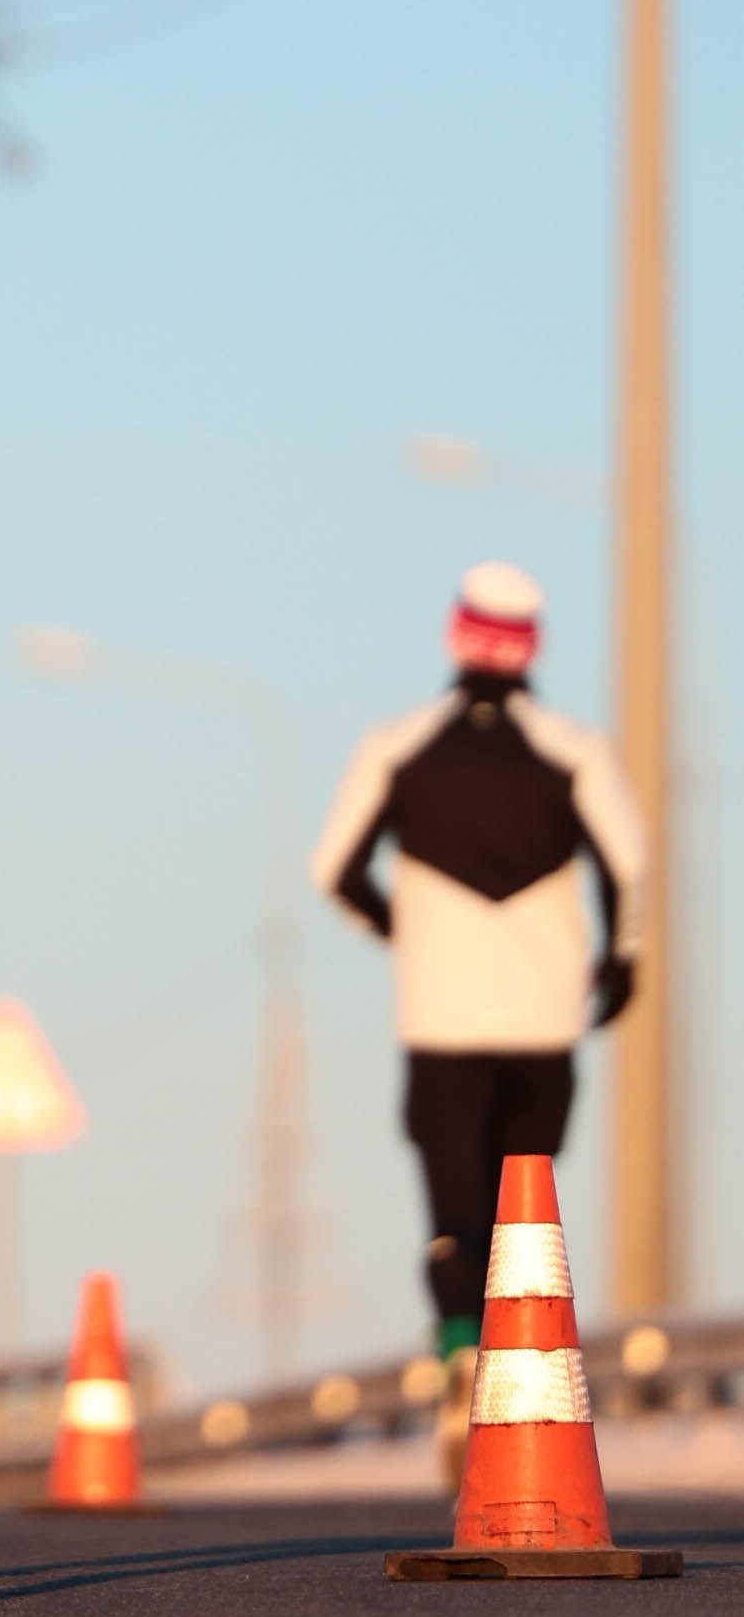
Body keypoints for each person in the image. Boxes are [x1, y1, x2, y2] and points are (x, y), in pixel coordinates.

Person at [309, 560, 645, 1470]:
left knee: (453, 1211)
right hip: (544, 1020)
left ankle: (460, 1351)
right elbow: (627, 867)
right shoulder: (576, 749)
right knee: (521, 1210)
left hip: (440, 1015)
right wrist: (620, 962)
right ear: (531, 645)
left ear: (456, 635)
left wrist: (400, 927)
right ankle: (517, 1383)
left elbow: (334, 868)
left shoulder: (395, 745)